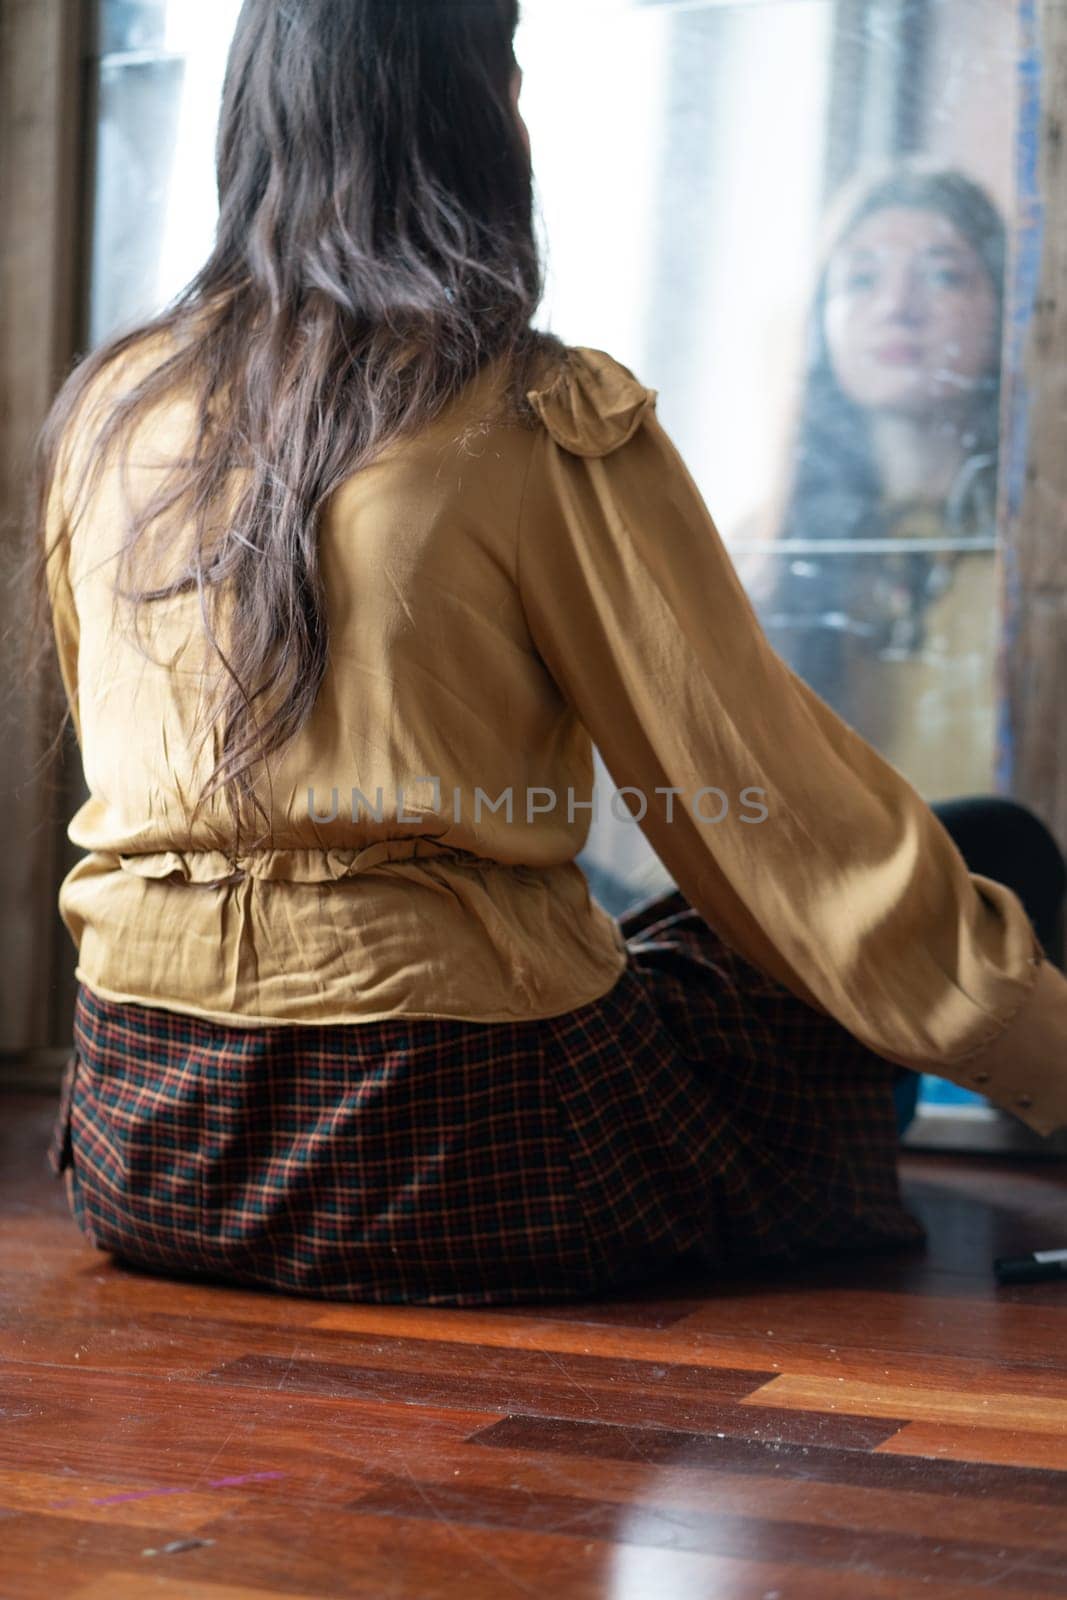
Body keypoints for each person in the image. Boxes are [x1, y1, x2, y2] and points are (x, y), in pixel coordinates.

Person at [20, 0, 1067, 1310]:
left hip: (144, 1143)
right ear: (480, 113)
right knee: (970, 860)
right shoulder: (536, 412)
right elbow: (778, 826)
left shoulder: (108, 410)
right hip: (452, 1146)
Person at [739, 163, 1004, 803]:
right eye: (861, 279)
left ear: (1008, 306)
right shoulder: (755, 552)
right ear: (821, 324)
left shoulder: (1035, 552)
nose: (897, 308)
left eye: (943, 276)